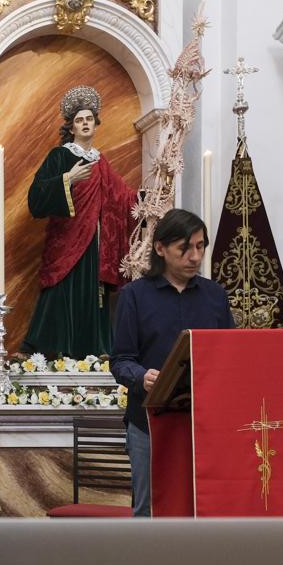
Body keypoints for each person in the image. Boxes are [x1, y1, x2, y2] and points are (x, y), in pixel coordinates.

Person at [110, 209, 233, 517]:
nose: (195, 256)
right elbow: (121, 361)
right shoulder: (134, 296)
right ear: (160, 248)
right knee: (149, 508)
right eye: (185, 248)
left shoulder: (215, 295)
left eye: (200, 246)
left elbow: (231, 352)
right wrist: (141, 376)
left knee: (205, 504)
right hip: (148, 422)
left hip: (205, 421)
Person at [22, 86, 137, 358]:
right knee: (62, 290)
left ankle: (93, 349)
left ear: (95, 124)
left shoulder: (101, 161)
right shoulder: (60, 156)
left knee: (93, 294)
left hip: (96, 240)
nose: (85, 124)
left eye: (89, 119)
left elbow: (121, 196)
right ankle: (53, 350)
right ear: (71, 127)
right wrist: (67, 179)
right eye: (79, 120)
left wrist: (146, 197)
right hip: (67, 239)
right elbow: (36, 196)